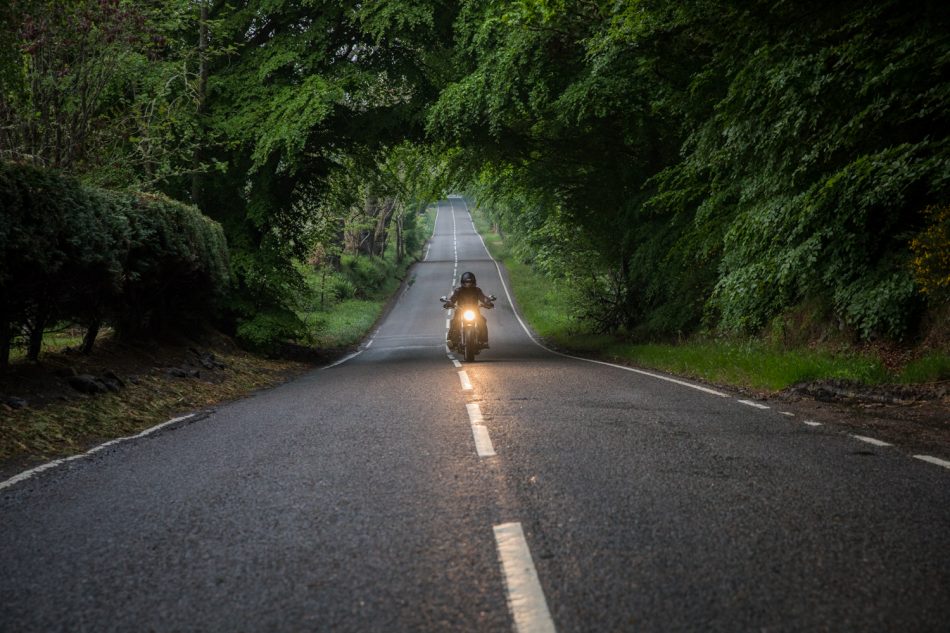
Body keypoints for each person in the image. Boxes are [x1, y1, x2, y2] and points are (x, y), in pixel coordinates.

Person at [445, 271, 493, 349]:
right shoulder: (458, 290)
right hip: (460, 311)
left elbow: (483, 297)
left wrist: (487, 301)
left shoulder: (477, 290)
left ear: (473, 282)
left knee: (482, 320)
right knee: (454, 322)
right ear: (463, 282)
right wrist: (449, 303)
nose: (468, 284)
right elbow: (453, 298)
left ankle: (484, 341)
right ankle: (452, 341)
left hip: (475, 311)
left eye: (470, 282)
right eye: (467, 282)